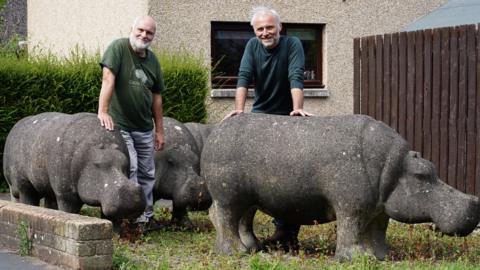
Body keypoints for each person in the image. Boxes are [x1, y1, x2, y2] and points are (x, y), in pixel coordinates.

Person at [223, 6, 313, 250]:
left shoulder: (292, 44)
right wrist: (240, 110)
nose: (265, 33)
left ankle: (287, 230)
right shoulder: (252, 46)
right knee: (258, 173)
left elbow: (296, 76)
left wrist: (297, 108)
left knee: (291, 174)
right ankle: (251, 224)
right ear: (254, 31)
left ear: (279, 28)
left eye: (269, 27)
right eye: (260, 29)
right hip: (261, 115)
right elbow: (243, 77)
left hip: (287, 116)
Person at [97, 15, 165, 227]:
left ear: (153, 36)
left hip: (144, 127)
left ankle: (145, 216)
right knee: (132, 168)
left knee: (147, 172)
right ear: (132, 29)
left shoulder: (153, 60)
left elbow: (157, 98)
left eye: (149, 33)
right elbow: (108, 78)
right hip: (121, 125)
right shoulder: (118, 48)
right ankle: (130, 216)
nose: (144, 35)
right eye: (141, 30)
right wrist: (103, 110)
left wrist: (159, 130)